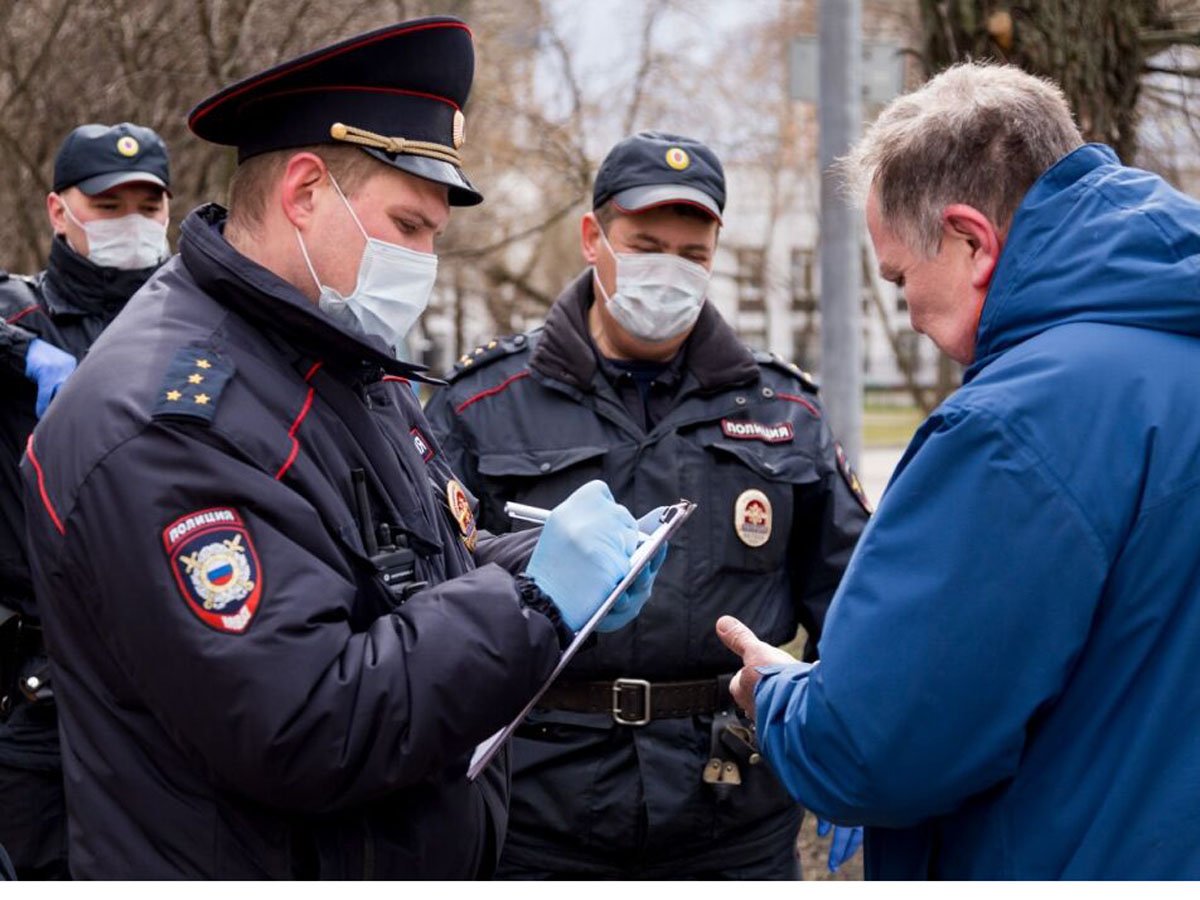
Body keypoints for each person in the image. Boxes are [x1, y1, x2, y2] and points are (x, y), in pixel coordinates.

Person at [19, 18, 659, 879]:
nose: (425, 259)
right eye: (408, 223)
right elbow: (305, 718)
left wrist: (538, 561)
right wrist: (532, 607)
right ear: (306, 191)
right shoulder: (168, 420)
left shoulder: (338, 359)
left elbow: (397, 573)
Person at [718, 61, 1200, 879]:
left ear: (973, 241)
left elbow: (871, 748)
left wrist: (777, 695)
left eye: (903, 276)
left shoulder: (1016, 425)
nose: (907, 314)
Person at [425, 131, 870, 879]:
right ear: (593, 237)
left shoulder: (784, 409)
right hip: (541, 811)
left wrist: (855, 743)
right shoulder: (485, 404)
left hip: (730, 815)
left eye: (692, 254)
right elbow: (431, 598)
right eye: (646, 244)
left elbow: (856, 602)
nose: (669, 270)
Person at [0, 120, 171, 880]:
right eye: (107, 205)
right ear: (57, 210)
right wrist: (20, 354)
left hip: (168, 676)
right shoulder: (23, 315)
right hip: (39, 690)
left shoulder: (194, 323)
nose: (130, 223)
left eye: (148, 204)